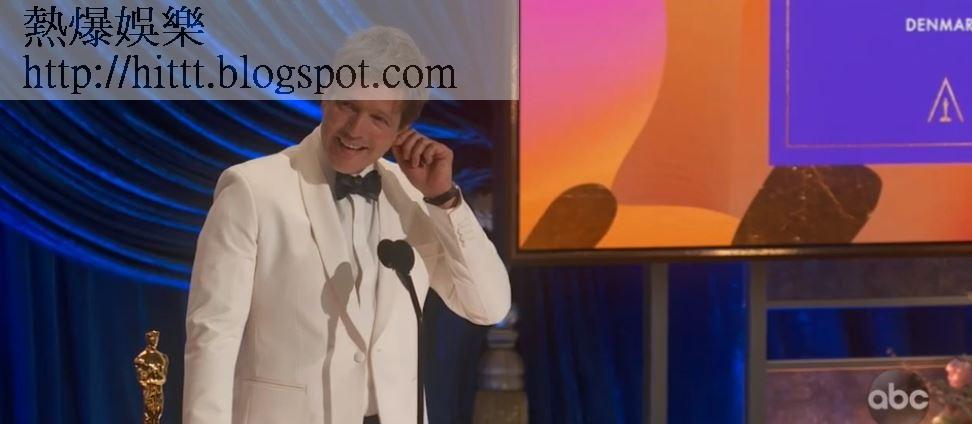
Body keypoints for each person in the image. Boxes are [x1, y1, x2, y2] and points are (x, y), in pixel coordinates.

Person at [182, 26, 511, 424]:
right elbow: (212, 335)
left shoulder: (414, 196)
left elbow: (488, 306)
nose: (355, 130)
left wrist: (445, 199)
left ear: (400, 131)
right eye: (347, 106)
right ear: (326, 95)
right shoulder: (253, 189)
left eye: (377, 118)